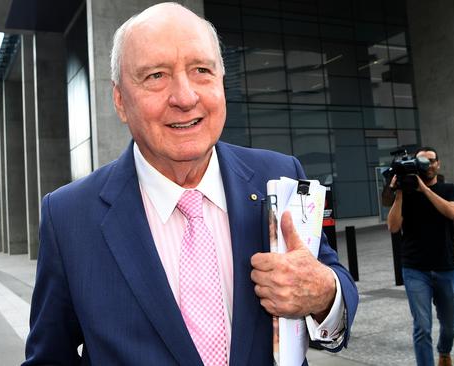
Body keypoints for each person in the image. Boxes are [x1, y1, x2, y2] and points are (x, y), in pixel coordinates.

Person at [23, 3, 358, 365]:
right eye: (155, 75)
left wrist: (324, 293)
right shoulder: (69, 216)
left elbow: (331, 283)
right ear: (120, 100)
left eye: (201, 70)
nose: (184, 97)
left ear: (221, 84)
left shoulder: (280, 176)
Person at [387, 147, 454, 366]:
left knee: (450, 325)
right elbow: (393, 227)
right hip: (415, 269)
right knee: (422, 326)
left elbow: (453, 212)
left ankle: (444, 352)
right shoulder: (406, 194)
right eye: (422, 161)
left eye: (430, 161)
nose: (427, 165)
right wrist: (399, 193)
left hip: (445, 267)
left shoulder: (449, 189)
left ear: (437, 164)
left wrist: (423, 189)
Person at [382, 176, 454, 296]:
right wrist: (395, 189)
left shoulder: (446, 188)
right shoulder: (403, 188)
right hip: (417, 257)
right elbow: (388, 210)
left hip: (443, 243)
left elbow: (453, 212)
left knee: (453, 259)